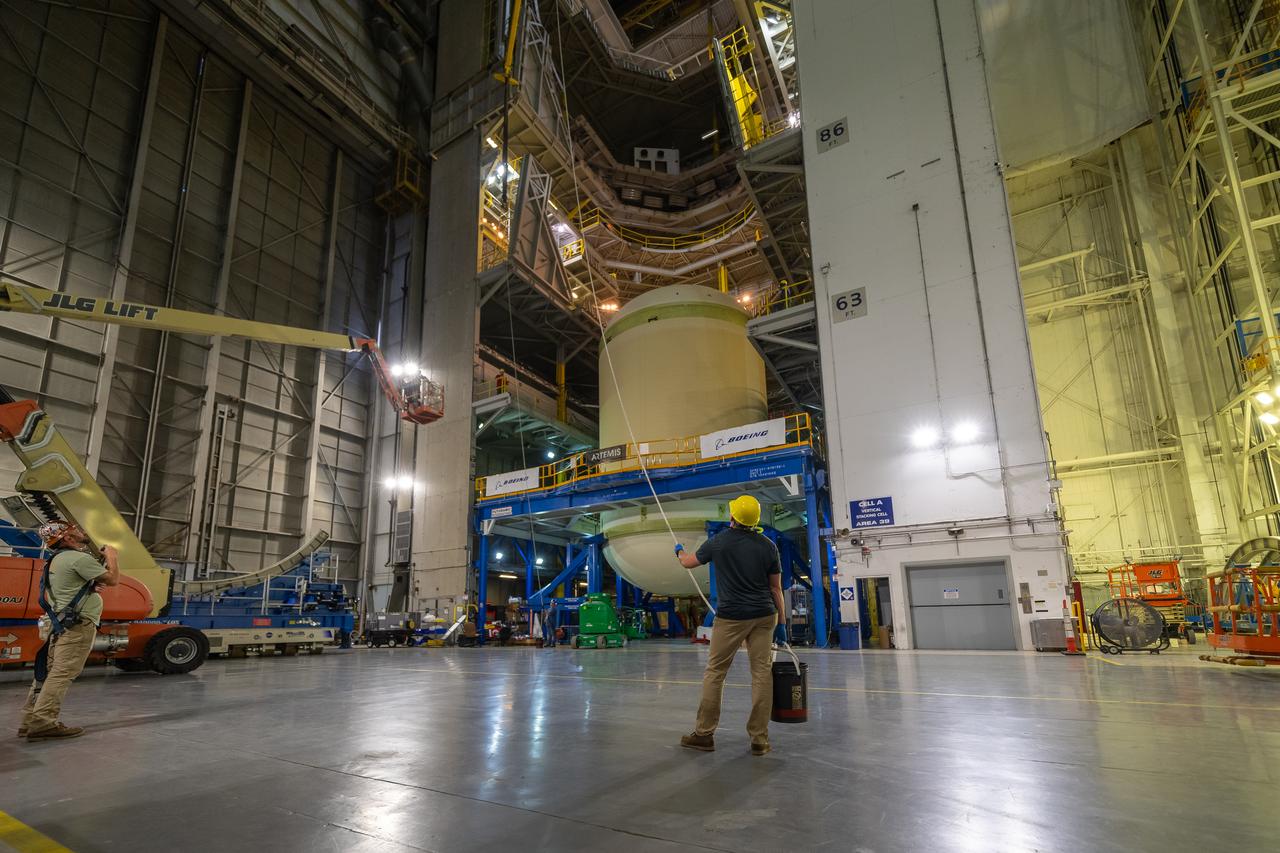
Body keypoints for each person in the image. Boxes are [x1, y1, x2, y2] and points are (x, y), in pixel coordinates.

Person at [673, 495, 786, 756]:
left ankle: (704, 735)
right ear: (755, 519)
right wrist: (781, 623)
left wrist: (678, 551)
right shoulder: (768, 545)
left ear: (732, 517)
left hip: (732, 617)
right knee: (761, 674)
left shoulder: (719, 542)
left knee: (715, 673)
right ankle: (760, 739)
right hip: (764, 616)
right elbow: (776, 589)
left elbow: (688, 562)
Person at [20, 522, 119, 742]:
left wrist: (89, 587)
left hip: (60, 623)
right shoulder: (78, 559)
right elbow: (113, 579)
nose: (81, 532)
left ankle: (29, 721)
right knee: (61, 674)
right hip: (76, 625)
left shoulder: (56, 560)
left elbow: (68, 588)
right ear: (68, 539)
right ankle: (43, 724)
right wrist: (112, 556)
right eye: (74, 531)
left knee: (47, 673)